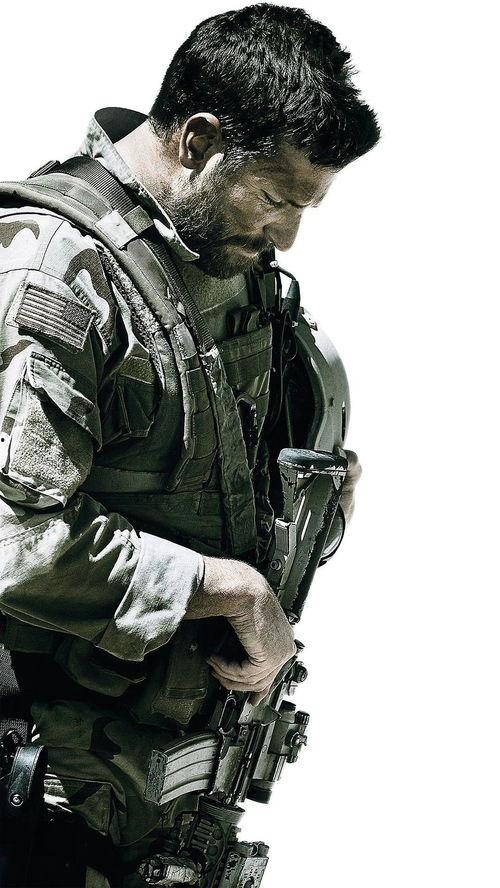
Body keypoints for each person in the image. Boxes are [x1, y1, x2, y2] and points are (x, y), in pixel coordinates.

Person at [0, 4, 378, 885]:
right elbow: (11, 539)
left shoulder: (213, 262)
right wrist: (227, 590)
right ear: (198, 140)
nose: (287, 234)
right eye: (277, 198)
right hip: (39, 808)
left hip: (148, 805)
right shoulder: (54, 275)